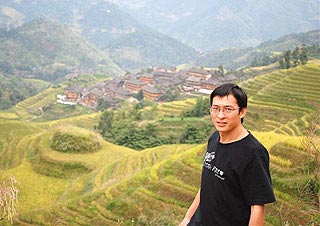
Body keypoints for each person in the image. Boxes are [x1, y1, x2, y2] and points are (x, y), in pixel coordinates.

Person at [179, 83, 276, 226]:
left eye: (228, 109)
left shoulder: (253, 153)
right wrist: (187, 218)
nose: (220, 116)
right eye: (215, 109)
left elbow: (257, 207)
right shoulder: (214, 138)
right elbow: (207, 185)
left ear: (242, 112)